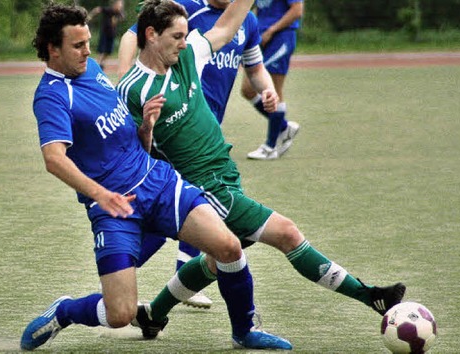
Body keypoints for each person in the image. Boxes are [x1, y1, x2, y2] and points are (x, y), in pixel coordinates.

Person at [117, 0, 407, 341]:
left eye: (185, 36)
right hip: (202, 185)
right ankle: (370, 296)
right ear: (151, 35)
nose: (185, 41)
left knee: (216, 259)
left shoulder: (188, 55)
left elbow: (225, 28)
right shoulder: (131, 90)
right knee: (285, 233)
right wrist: (146, 130)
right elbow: (135, 158)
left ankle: (153, 315)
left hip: (225, 172)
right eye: (177, 36)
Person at [20, 3, 292, 351]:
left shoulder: (88, 69)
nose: (88, 51)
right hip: (115, 208)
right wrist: (101, 195)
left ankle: (244, 330)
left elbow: (124, 137)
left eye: (88, 42)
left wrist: (146, 129)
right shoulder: (52, 96)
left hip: (158, 182)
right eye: (78, 45)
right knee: (119, 313)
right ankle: (66, 311)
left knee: (228, 246)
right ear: (52, 49)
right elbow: (54, 159)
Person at [116, 0, 281, 308]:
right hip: (172, 128)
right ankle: (121, 272)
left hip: (204, 126)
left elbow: (255, 67)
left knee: (195, 208)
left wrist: (266, 90)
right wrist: (127, 78)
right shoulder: (187, 9)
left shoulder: (248, 21)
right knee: (181, 209)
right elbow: (132, 34)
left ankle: (144, 273)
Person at [241, 0, 303, 160]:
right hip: (261, 39)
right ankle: (283, 127)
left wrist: (272, 30)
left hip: (280, 38)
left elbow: (297, 10)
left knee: (274, 90)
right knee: (247, 89)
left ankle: (270, 147)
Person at [88, 0, 125, 70]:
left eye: (121, 4)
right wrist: (90, 16)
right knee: (101, 50)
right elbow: (98, 9)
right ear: (115, 4)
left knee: (108, 51)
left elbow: (123, 18)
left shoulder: (118, 13)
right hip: (105, 33)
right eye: (119, 4)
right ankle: (97, 64)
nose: (120, 5)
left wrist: (120, 11)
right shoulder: (109, 10)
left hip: (112, 34)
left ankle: (102, 63)